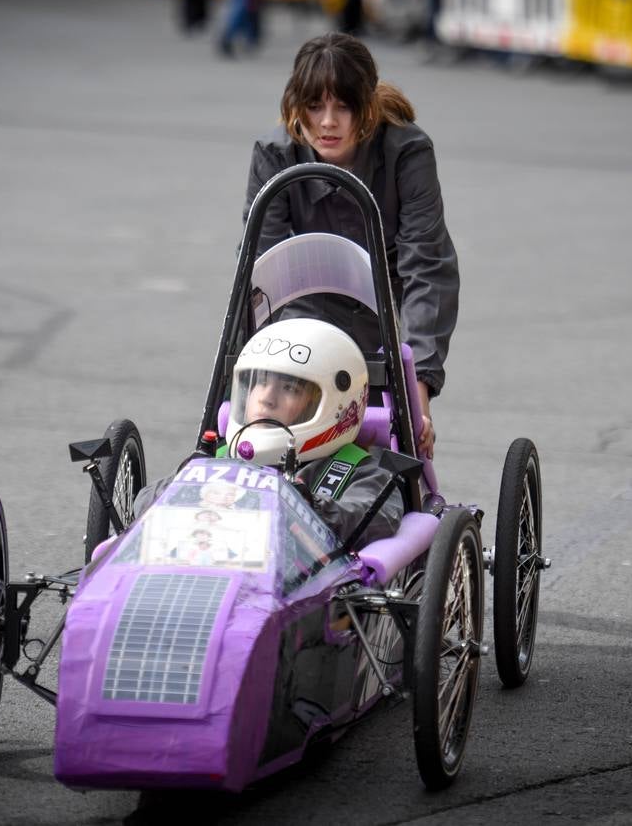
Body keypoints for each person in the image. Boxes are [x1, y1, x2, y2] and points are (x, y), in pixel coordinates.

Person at [243, 32, 458, 459]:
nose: (327, 122)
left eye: (343, 106)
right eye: (315, 106)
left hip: (385, 305)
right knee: (272, 424)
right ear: (295, 106)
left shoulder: (407, 151)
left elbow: (426, 267)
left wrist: (419, 396)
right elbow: (259, 274)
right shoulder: (275, 155)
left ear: (367, 106)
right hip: (305, 306)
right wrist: (267, 378)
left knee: (384, 442)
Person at [133, 318, 404, 548]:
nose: (266, 398)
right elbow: (144, 503)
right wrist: (182, 482)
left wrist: (309, 507)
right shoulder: (218, 459)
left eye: (289, 388)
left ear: (334, 404)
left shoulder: (358, 468)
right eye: (259, 383)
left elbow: (381, 516)